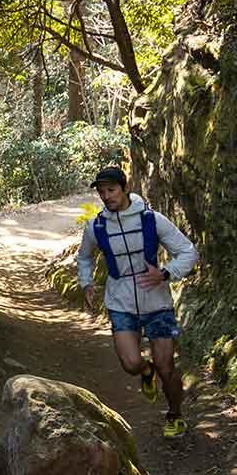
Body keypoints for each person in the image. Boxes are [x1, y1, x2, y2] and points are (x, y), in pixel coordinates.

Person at [78, 166, 199, 438]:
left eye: (111, 190)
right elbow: (84, 256)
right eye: (101, 192)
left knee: (166, 366)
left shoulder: (152, 220)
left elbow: (188, 251)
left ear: (124, 188)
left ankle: (175, 415)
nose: (106, 196)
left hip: (157, 302)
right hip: (120, 301)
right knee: (131, 363)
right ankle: (146, 371)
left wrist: (166, 273)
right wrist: (86, 282)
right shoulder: (96, 227)